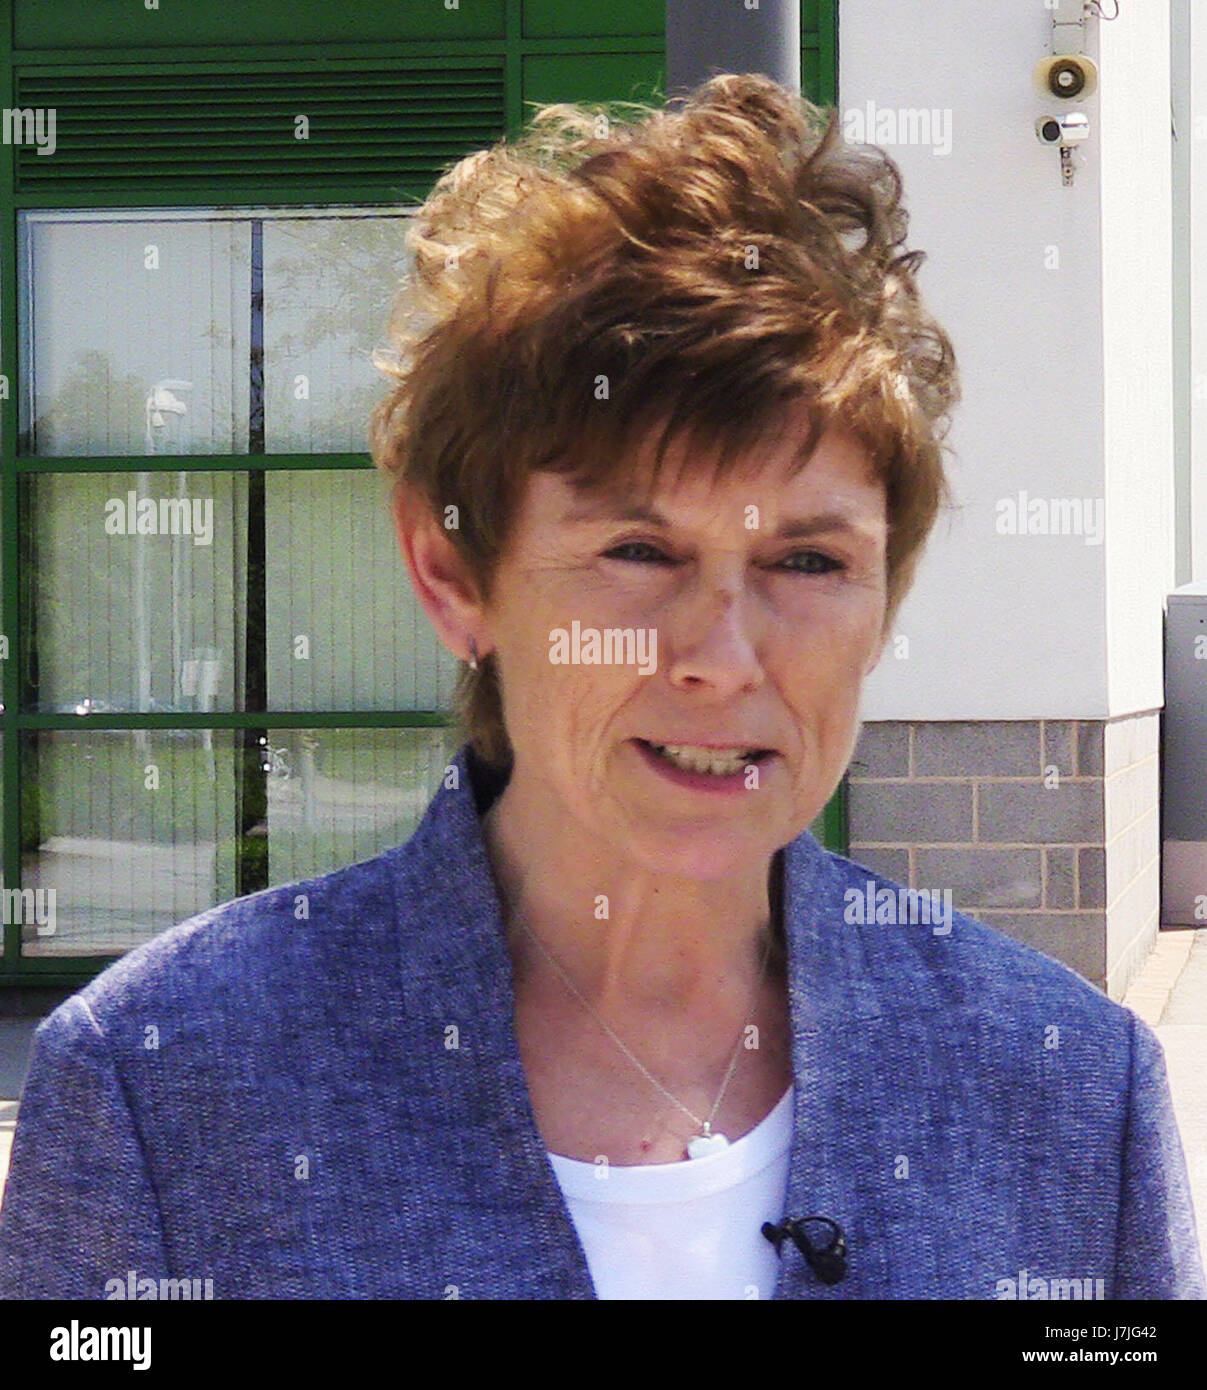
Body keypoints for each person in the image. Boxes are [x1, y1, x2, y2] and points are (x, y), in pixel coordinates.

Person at [0, 73, 1202, 1301]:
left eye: (807, 560)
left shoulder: (1065, 1095)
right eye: (638, 552)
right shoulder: (164, 1083)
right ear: (451, 569)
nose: (722, 656)